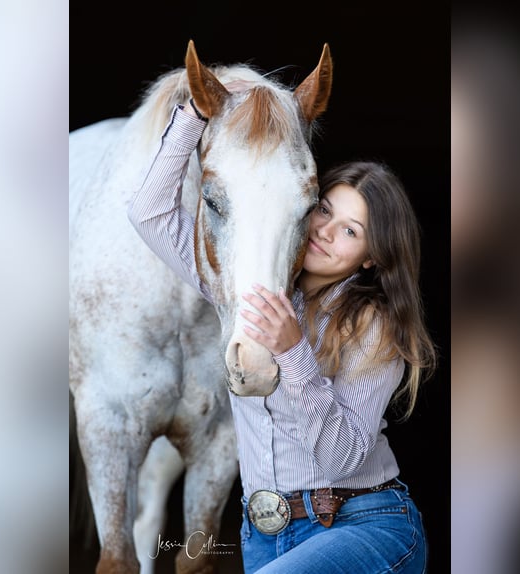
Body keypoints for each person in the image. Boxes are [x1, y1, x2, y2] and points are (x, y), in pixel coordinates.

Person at [128, 87, 437, 574]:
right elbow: (149, 212)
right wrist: (197, 113)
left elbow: (340, 460)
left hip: (363, 523)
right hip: (264, 535)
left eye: (351, 232)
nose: (326, 232)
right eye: (325, 210)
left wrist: (294, 353)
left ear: (372, 257)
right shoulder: (245, 290)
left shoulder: (373, 325)